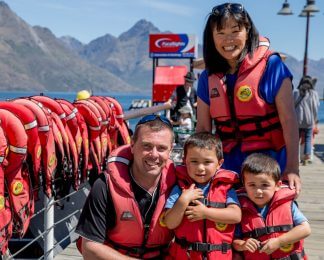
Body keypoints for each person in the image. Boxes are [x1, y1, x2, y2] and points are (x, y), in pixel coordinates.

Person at [196, 3, 301, 195]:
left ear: (248, 32)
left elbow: (289, 121)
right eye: (220, 33)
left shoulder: (273, 66)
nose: (228, 40)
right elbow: (203, 130)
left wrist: (293, 168)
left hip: (269, 168)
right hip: (227, 170)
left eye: (235, 31)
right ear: (211, 38)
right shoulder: (207, 78)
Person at [75, 114, 176, 259]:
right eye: (146, 146)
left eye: (161, 148)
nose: (154, 155)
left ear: (170, 151)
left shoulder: (179, 186)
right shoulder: (105, 185)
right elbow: (90, 248)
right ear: (133, 145)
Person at [163, 132, 241, 259]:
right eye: (194, 161)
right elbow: (170, 223)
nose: (200, 168)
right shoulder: (180, 189)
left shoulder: (226, 188)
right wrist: (183, 200)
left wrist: (205, 213)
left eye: (207, 162)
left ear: (219, 163)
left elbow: (236, 216)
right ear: (185, 161)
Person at [233, 153, 311, 259]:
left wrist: (279, 241)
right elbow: (234, 241)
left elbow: (306, 229)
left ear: (277, 185)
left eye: (265, 185)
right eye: (252, 185)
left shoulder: (288, 205)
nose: (258, 191)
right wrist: (243, 245)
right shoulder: (240, 209)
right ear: (244, 185)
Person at [294, 75, 320, 165]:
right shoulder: (314, 93)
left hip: (297, 120)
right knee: (308, 138)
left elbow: (291, 106)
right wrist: (315, 119)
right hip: (309, 120)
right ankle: (306, 156)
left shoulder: (296, 92)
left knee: (296, 139)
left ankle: (295, 157)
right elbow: (316, 107)